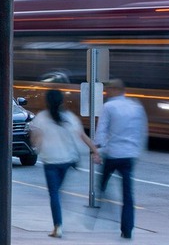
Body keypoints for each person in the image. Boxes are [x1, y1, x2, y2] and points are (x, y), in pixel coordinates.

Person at [29, 89, 98, 238]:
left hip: (50, 161)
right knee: (57, 192)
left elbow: (36, 140)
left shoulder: (41, 118)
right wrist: (95, 151)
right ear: (61, 101)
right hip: (66, 161)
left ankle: (58, 226)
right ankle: (58, 221)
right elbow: (83, 136)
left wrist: (37, 146)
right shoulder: (70, 118)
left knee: (54, 193)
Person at [95, 79, 148, 240]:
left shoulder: (109, 106)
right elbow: (141, 131)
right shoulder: (136, 107)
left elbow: (102, 130)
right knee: (128, 195)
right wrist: (137, 152)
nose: (106, 92)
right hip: (129, 156)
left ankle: (100, 208)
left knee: (102, 183)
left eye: (108, 89)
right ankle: (127, 229)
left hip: (112, 154)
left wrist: (96, 151)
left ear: (115, 90)